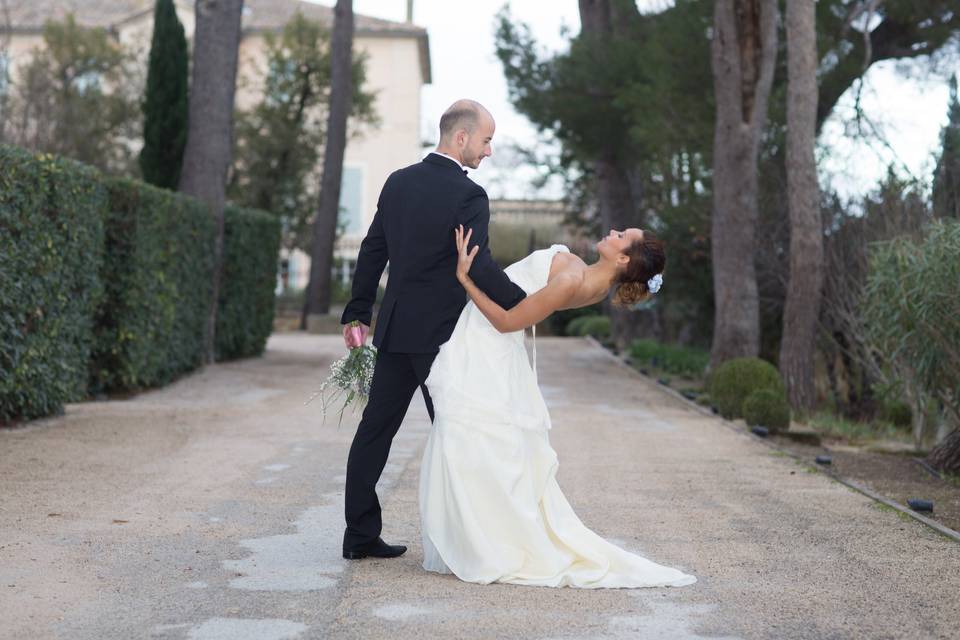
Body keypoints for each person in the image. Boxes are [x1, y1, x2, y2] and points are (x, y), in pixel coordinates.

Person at [415, 224, 698, 588]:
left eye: (621, 234)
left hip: (486, 345)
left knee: (469, 442)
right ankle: (480, 535)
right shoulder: (594, 284)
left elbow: (507, 321)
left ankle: (487, 541)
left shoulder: (574, 280)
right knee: (477, 446)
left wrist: (465, 279)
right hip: (488, 344)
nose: (612, 231)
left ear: (623, 257)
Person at [339, 99, 525, 560]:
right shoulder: (469, 195)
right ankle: (470, 541)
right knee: (457, 434)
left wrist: (357, 311)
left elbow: (372, 250)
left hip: (396, 329)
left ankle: (359, 537)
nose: (487, 152)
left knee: (374, 433)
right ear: (460, 137)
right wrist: (523, 303)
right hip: (441, 337)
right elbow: (477, 263)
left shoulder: (398, 182)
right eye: (485, 141)